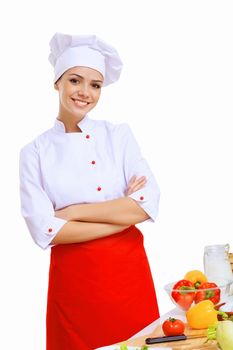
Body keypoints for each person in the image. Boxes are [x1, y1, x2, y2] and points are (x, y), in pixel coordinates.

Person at [19, 32, 160, 350]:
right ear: (57, 82)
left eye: (95, 85)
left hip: (128, 278)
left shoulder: (119, 136)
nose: (84, 92)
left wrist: (72, 213)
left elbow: (147, 203)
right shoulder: (35, 152)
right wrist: (121, 212)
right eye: (75, 81)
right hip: (75, 286)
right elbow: (45, 230)